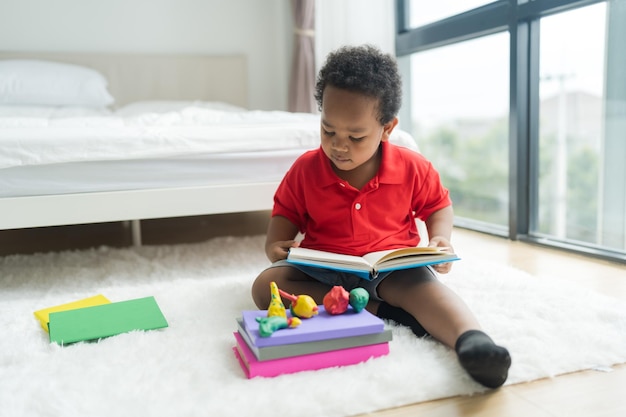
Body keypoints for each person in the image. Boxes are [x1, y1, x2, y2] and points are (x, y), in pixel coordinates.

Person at [251, 45, 511, 388]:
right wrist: (274, 246)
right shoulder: (305, 169)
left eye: (355, 136)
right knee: (264, 288)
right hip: (322, 270)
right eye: (328, 131)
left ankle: (472, 341)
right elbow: (285, 213)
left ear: (387, 128)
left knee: (428, 293)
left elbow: (438, 206)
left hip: (390, 268)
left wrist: (440, 237)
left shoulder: (412, 167)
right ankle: (385, 314)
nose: (339, 145)